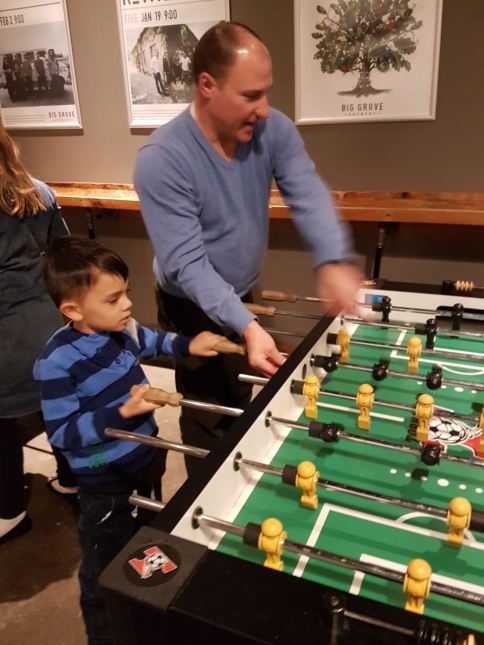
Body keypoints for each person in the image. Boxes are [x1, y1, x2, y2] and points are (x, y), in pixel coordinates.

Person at [134, 21, 362, 474]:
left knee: (239, 394)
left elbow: (307, 193)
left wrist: (333, 259)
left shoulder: (272, 129)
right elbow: (186, 265)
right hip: (188, 303)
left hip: (241, 289)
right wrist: (246, 323)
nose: (264, 108)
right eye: (250, 95)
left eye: (266, 92)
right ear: (207, 86)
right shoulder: (161, 159)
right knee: (207, 411)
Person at [33, 236, 227, 645]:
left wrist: (189, 344)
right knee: (103, 572)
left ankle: (146, 616)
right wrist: (122, 412)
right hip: (105, 481)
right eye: (113, 299)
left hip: (146, 460)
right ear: (73, 310)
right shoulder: (56, 363)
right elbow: (63, 432)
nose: (127, 305)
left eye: (127, 293)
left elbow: (154, 340)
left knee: (147, 546)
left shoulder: (123, 329)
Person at [0, 121, 77, 544]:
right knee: (57, 406)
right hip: (49, 328)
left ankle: (8, 510)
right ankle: (71, 478)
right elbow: (65, 256)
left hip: (5, 341)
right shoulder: (39, 193)